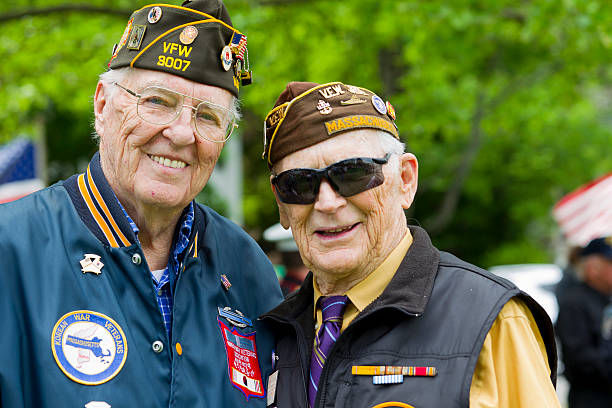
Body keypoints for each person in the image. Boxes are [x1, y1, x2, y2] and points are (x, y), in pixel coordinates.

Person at [0, 1, 283, 407]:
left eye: (208, 117)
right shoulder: (11, 249)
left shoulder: (247, 268)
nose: (183, 133)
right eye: (157, 102)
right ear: (102, 105)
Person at [259, 81, 560, 407]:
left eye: (353, 173)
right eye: (299, 184)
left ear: (405, 179)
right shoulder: (270, 333)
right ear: (281, 204)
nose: (327, 202)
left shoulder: (492, 320)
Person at [556, 237, 612, 408]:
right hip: (591, 400)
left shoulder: (605, 299)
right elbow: (581, 361)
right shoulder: (574, 303)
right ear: (593, 268)